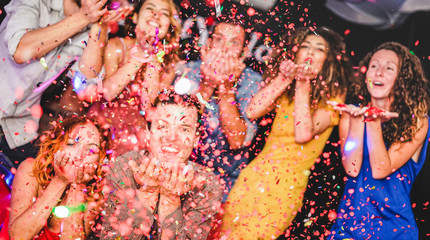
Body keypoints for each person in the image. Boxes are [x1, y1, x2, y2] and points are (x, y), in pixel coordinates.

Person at [220, 26, 352, 239]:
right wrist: (283, 79)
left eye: (319, 49)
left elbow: (302, 134)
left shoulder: (333, 100)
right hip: (253, 176)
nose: (309, 52)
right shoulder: (288, 89)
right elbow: (252, 111)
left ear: (328, 61)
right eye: (305, 46)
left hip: (284, 188)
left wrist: (302, 84)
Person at [0, 0, 132, 169]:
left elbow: (86, 90)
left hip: (18, 128)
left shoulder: (91, 25)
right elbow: (21, 50)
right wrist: (83, 17)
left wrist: (99, 27)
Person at [328, 42, 430, 239]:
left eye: (389, 68)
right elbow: (352, 168)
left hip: (393, 230)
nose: (379, 72)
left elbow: (381, 168)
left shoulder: (417, 121)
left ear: (402, 78)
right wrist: (358, 121)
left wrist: (373, 122)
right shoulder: (350, 114)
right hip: (348, 227)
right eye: (374, 66)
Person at [101, 90, 223, 239]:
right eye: (162, 126)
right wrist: (146, 197)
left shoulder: (206, 184)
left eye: (184, 129)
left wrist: (171, 201)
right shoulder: (125, 166)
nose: (172, 137)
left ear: (196, 138)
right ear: (148, 132)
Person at [179, 20, 262, 202]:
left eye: (234, 43)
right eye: (219, 40)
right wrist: (207, 84)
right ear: (209, 44)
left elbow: (238, 140)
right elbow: (180, 125)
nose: (225, 48)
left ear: (244, 52)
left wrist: (226, 88)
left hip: (222, 187)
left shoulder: (253, 82)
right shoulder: (191, 69)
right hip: (179, 173)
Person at [86, 0, 182, 156]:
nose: (156, 15)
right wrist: (141, 54)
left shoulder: (169, 63)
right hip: (101, 131)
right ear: (136, 18)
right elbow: (108, 93)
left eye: (164, 13)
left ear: (169, 26)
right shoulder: (117, 46)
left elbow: (148, 106)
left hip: (136, 142)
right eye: (150, 8)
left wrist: (152, 58)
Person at [8, 116, 111, 239]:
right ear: (56, 146)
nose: (80, 155)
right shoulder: (31, 169)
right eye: (71, 144)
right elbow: (18, 236)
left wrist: (77, 186)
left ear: (99, 162)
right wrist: (60, 180)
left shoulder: (96, 194)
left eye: (91, 150)